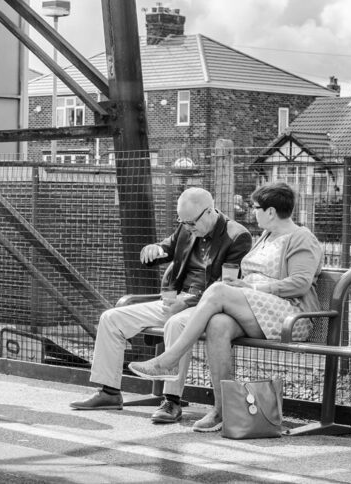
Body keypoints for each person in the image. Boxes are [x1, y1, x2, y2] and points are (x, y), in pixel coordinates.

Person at [129, 182, 323, 432]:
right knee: (217, 324)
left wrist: (252, 288)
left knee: (218, 289)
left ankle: (169, 359)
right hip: (260, 311)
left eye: (256, 208)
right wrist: (243, 284)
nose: (253, 212)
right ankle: (222, 410)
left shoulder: (301, 237)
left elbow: (300, 283)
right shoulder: (265, 237)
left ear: (271, 211)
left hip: (291, 317)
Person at [69, 187, 252, 423]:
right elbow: (167, 248)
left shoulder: (237, 236)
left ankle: (171, 401)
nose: (187, 227)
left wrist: (187, 302)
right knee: (111, 318)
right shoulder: (187, 227)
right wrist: (154, 249)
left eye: (191, 223)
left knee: (176, 324)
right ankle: (109, 392)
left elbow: (226, 286)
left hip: (209, 306)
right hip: (175, 299)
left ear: (208, 212)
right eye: (182, 222)